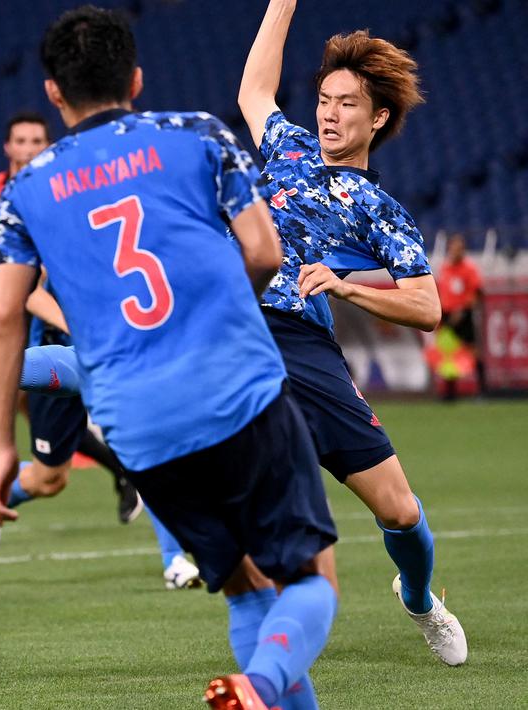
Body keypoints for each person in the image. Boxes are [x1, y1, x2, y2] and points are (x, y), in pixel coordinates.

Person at [0, 8, 338, 709]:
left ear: (54, 94)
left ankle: (257, 682)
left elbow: (0, 313)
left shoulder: (23, 189)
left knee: (241, 590)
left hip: (139, 423)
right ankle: (261, 684)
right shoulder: (197, 135)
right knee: (308, 579)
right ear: (136, 79)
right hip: (238, 391)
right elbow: (265, 251)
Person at [237, 0, 465, 666]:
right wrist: (282, 4)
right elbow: (254, 90)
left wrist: (346, 287)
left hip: (303, 347)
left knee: (396, 510)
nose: (329, 113)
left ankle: (419, 598)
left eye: (346, 104)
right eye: (324, 99)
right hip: (237, 327)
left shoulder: (379, 211)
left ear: (378, 118)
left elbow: (426, 307)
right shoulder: (286, 147)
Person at [0, 111, 142, 547]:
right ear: (7, 146)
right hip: (3, 302)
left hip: (34, 309)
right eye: (20, 140)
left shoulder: (55, 196)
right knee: (47, 425)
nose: (27, 147)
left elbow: (41, 276)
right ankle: (126, 474)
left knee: (21, 413)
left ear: (47, 145)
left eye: (36, 140)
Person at [0, 275, 202, 590]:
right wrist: (75, 326)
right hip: (52, 358)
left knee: (147, 448)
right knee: (49, 480)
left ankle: (174, 560)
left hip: (113, 353)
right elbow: (27, 288)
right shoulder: (54, 233)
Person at [435, 233, 484, 398]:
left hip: (464, 314)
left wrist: (462, 311)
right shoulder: (445, 268)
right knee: (449, 353)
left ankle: (482, 390)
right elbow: (443, 292)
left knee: (472, 351)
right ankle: (450, 393)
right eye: (453, 248)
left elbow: (476, 293)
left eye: (459, 248)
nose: (455, 251)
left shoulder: (469, 268)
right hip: (447, 314)